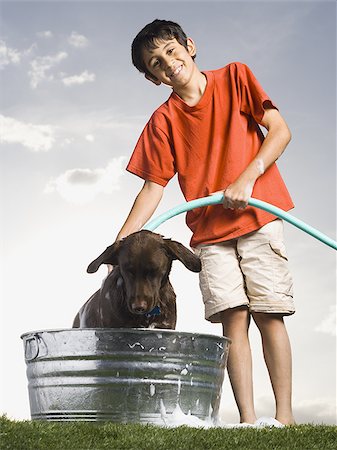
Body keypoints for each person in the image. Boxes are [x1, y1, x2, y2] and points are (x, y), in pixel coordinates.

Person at [114, 19, 295, 425]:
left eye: (171, 51)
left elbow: (280, 131)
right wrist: (120, 242)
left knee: (269, 314)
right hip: (211, 235)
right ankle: (249, 422)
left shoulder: (235, 77)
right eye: (156, 63)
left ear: (189, 46)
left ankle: (285, 419)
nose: (168, 63)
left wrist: (247, 178)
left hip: (259, 217)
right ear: (152, 78)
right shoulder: (163, 121)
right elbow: (152, 188)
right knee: (233, 321)